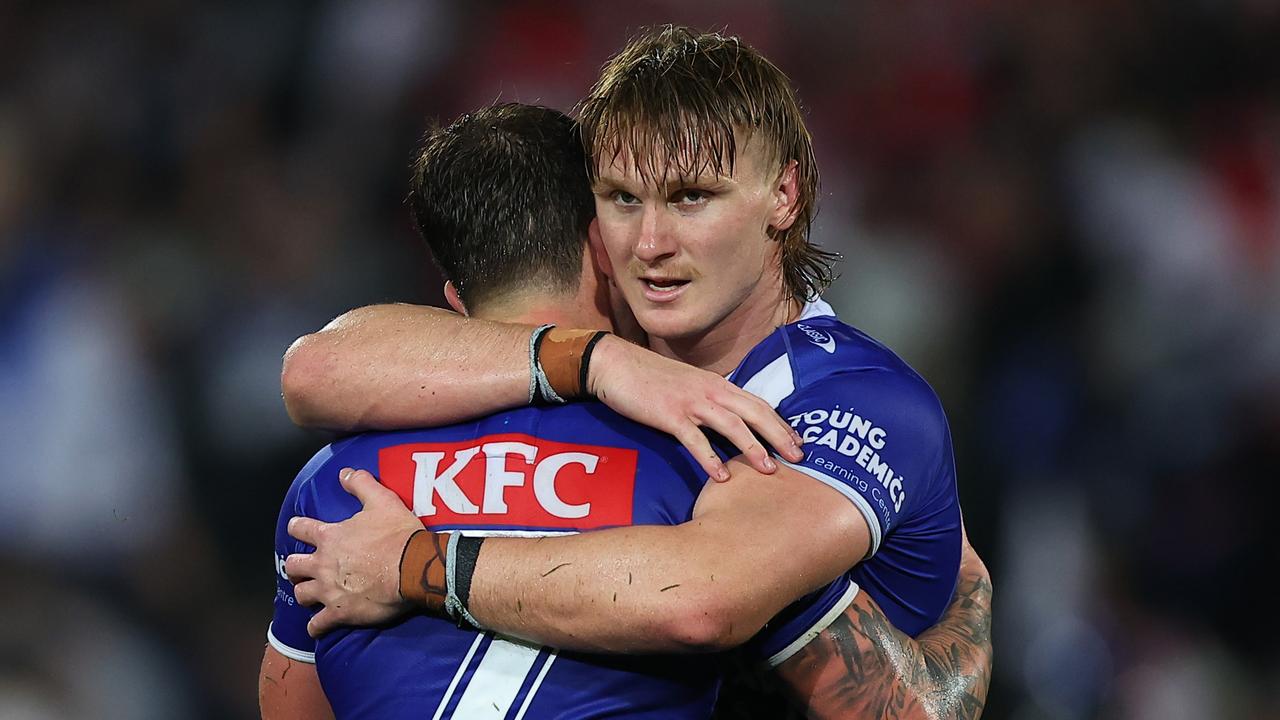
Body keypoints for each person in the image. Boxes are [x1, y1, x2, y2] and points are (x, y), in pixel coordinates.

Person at [277, 26, 992, 717]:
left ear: (784, 195)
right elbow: (317, 368)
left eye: (691, 197)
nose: (651, 243)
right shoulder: (612, 362)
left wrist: (416, 566)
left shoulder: (860, 397)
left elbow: (705, 596)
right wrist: (598, 359)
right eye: (623, 199)